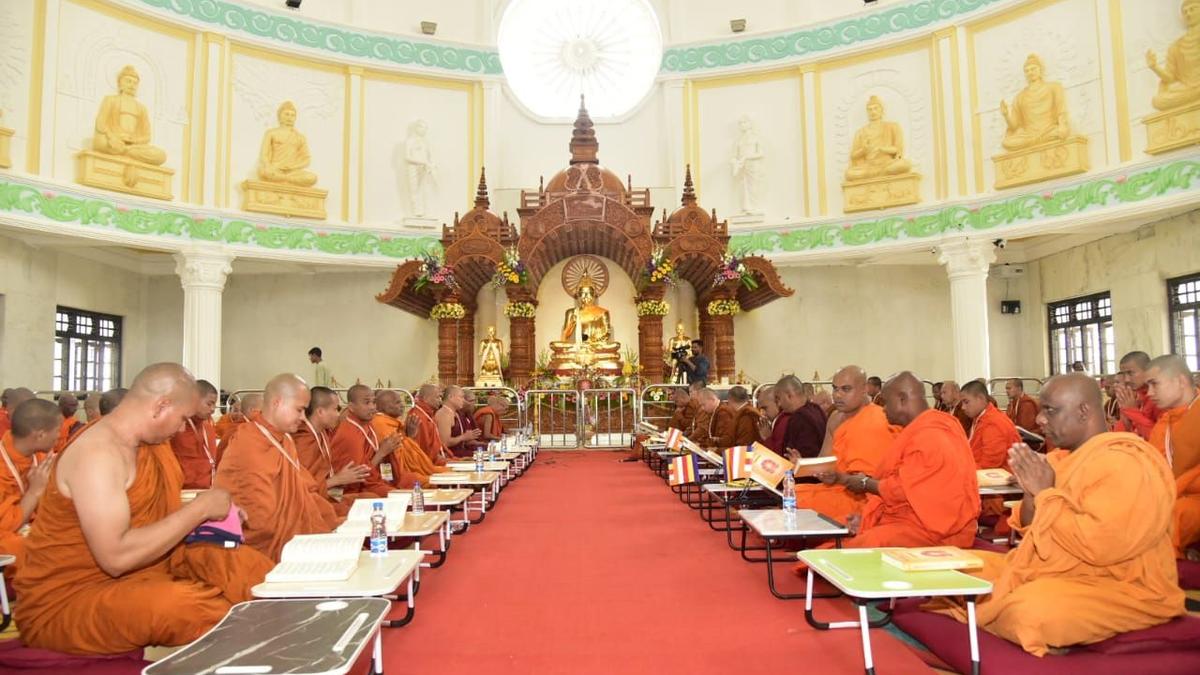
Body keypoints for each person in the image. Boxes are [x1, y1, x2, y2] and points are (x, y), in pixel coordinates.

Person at [14, 363, 273, 655]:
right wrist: (200, 509)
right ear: (160, 406)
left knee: (251, 569)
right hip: (71, 597)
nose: (181, 428)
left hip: (155, 562)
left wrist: (216, 511)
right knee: (185, 607)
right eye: (182, 418)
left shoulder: (151, 444)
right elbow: (115, 557)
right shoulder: (97, 454)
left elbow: (159, 511)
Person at [935, 374, 1184, 656]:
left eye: (1050, 410)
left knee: (1029, 613)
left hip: (1118, 585)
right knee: (954, 571)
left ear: (1084, 411)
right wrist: (1031, 492)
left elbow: (1102, 547)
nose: (1040, 419)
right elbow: (1029, 529)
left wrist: (1045, 494)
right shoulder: (1059, 459)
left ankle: (996, 609)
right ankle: (992, 605)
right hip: (1049, 569)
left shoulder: (1127, 463)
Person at [835, 372, 979, 548]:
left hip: (938, 531)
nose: (884, 409)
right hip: (910, 518)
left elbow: (903, 489)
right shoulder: (921, 429)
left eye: (886, 402)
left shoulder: (932, 435)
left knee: (862, 545)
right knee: (840, 531)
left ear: (902, 399)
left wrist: (866, 484)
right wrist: (869, 518)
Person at [215, 374, 340, 561]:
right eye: (299, 410)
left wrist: (326, 521)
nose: (303, 418)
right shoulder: (249, 443)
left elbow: (306, 489)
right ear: (276, 402)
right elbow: (258, 518)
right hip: (265, 546)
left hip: (295, 534)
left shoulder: (285, 439)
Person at [798, 366, 897, 522]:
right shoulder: (835, 418)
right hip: (836, 488)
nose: (837, 395)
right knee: (792, 493)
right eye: (835, 389)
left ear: (864, 389)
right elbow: (824, 461)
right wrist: (802, 464)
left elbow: (869, 481)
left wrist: (837, 478)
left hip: (863, 497)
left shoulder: (878, 419)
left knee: (798, 502)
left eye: (846, 389)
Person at [1145, 355, 1200, 558]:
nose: (1149, 393)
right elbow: (1155, 466)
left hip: (1191, 498)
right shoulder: (1165, 422)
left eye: (1154, 384)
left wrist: (1168, 492)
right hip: (1171, 492)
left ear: (1180, 381)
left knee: (1170, 516)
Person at [292, 385, 370, 516]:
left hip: (327, 494)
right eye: (335, 409)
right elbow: (301, 488)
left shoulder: (322, 432)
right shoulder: (303, 439)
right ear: (320, 412)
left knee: (369, 498)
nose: (338, 414)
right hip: (311, 502)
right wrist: (338, 480)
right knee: (355, 512)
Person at [0, 399, 59, 571]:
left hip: (33, 526)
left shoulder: (40, 457)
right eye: (56, 431)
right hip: (8, 535)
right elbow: (6, 526)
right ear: (40, 435)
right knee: (20, 547)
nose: (59, 436)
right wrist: (34, 492)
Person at [330, 385, 404, 496]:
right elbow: (357, 475)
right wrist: (382, 453)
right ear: (351, 407)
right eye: (366, 403)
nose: (372, 407)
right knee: (400, 498)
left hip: (375, 480)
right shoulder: (349, 433)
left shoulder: (368, 425)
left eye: (374, 402)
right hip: (354, 489)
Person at [371, 390, 440, 488]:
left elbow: (406, 451)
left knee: (441, 474)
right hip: (395, 476)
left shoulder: (393, 423)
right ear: (383, 406)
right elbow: (395, 460)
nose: (402, 405)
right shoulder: (380, 423)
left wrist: (410, 436)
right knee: (432, 482)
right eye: (397, 402)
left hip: (406, 472)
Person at [169, 379, 220, 489]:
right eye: (209, 404)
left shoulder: (207, 427)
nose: (213, 410)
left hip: (207, 489)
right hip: (181, 489)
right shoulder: (173, 428)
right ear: (193, 400)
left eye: (214, 405)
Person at [962, 380, 1021, 470]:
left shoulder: (993, 423)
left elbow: (990, 465)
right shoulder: (981, 417)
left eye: (966, 402)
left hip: (1001, 479)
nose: (963, 407)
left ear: (980, 398)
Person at [1114, 350, 1163, 439]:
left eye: (1130, 373)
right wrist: (1126, 419)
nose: (1126, 380)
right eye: (1124, 374)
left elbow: (1159, 438)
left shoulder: (1160, 397)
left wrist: (1131, 410)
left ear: (1147, 370)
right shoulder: (1133, 396)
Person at [776, 375, 827, 459]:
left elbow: (793, 454)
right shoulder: (816, 408)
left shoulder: (799, 418)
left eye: (779, 398)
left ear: (789, 395)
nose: (779, 404)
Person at [408, 384, 450, 464]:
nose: (440, 401)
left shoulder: (428, 413)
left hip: (437, 459)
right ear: (426, 398)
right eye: (437, 397)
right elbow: (423, 448)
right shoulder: (417, 416)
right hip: (427, 462)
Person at [437, 386, 483, 457]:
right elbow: (445, 443)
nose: (464, 401)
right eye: (461, 397)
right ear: (450, 397)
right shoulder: (444, 414)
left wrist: (469, 437)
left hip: (461, 451)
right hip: (450, 455)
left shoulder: (457, 413)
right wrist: (464, 437)